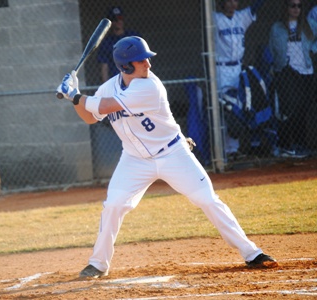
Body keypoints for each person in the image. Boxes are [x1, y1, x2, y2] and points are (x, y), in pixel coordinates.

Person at [56, 36, 279, 279]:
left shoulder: (150, 86)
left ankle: (252, 253)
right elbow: (90, 116)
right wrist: (75, 98)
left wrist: (75, 96)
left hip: (173, 153)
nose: (148, 65)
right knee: (113, 205)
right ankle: (98, 264)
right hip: (134, 160)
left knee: (207, 199)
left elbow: (105, 106)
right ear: (125, 66)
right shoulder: (108, 87)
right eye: (141, 61)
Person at [213, 0, 266, 160]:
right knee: (226, 108)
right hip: (221, 69)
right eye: (228, 1)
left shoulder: (241, 17)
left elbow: (256, 6)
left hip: (237, 68)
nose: (232, 4)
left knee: (238, 107)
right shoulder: (214, 18)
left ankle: (233, 150)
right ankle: (225, 151)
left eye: (234, 0)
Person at [269, 0, 317, 158]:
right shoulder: (278, 27)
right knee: (291, 107)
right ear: (286, 8)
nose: (296, 9)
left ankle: (301, 144)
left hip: (306, 70)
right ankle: (287, 144)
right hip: (287, 70)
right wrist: (276, 67)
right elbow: (272, 48)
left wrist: (313, 50)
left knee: (304, 108)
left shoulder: (309, 24)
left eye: (299, 6)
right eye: (292, 5)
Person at [97, 6, 141, 83]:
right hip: (116, 81)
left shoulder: (132, 37)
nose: (118, 21)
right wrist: (106, 85)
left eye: (120, 18)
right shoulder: (106, 42)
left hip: (134, 79)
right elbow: (104, 67)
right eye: (115, 19)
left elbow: (142, 59)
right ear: (110, 22)